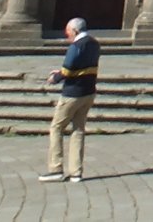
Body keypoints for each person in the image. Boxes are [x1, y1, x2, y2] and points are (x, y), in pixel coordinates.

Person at [40, 17, 100, 183]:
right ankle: (76, 172)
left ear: (75, 31)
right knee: (78, 130)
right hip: (88, 91)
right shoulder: (94, 44)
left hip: (72, 93)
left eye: (68, 32)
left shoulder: (76, 46)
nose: (67, 36)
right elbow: (81, 66)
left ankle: (55, 168)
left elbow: (68, 69)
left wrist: (55, 77)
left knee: (56, 127)